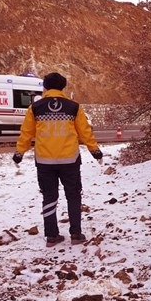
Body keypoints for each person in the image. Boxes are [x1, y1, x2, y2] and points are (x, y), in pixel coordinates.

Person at [13, 72, 103, 247]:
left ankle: (52, 236)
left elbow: (26, 133)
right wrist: (95, 151)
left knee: (49, 196)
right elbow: (85, 132)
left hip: (45, 161)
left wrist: (19, 152)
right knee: (74, 195)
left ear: (45, 87)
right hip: (69, 160)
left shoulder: (36, 107)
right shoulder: (74, 107)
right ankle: (76, 234)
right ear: (63, 87)